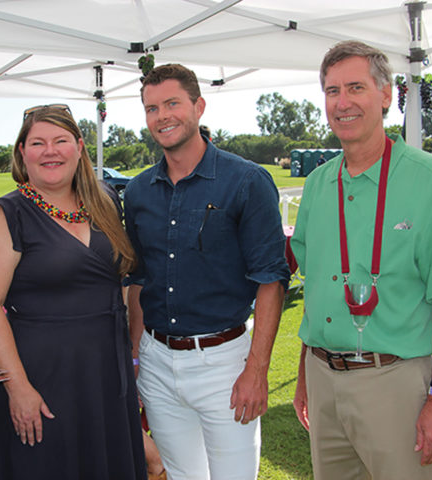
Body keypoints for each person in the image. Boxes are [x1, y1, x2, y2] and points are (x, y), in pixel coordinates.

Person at [291, 40, 432, 480]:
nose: (342, 102)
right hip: (322, 375)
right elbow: (317, 291)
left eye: (355, 87)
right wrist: (303, 375)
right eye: (332, 91)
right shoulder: (318, 185)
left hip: (394, 382)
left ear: (386, 94)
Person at [125, 64, 290, 480]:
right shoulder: (138, 191)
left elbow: (271, 280)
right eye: (151, 108)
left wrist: (257, 370)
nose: (162, 116)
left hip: (224, 363)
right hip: (157, 360)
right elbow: (138, 280)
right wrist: (135, 356)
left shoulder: (246, 181)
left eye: (172, 104)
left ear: (198, 106)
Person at [0, 104, 146, 479]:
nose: (50, 151)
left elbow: (122, 283)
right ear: (22, 152)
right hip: (42, 377)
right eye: (38, 143)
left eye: (61, 140)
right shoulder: (5, 216)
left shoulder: (106, 203)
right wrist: (17, 388)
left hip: (105, 375)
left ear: (79, 147)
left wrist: (130, 359)